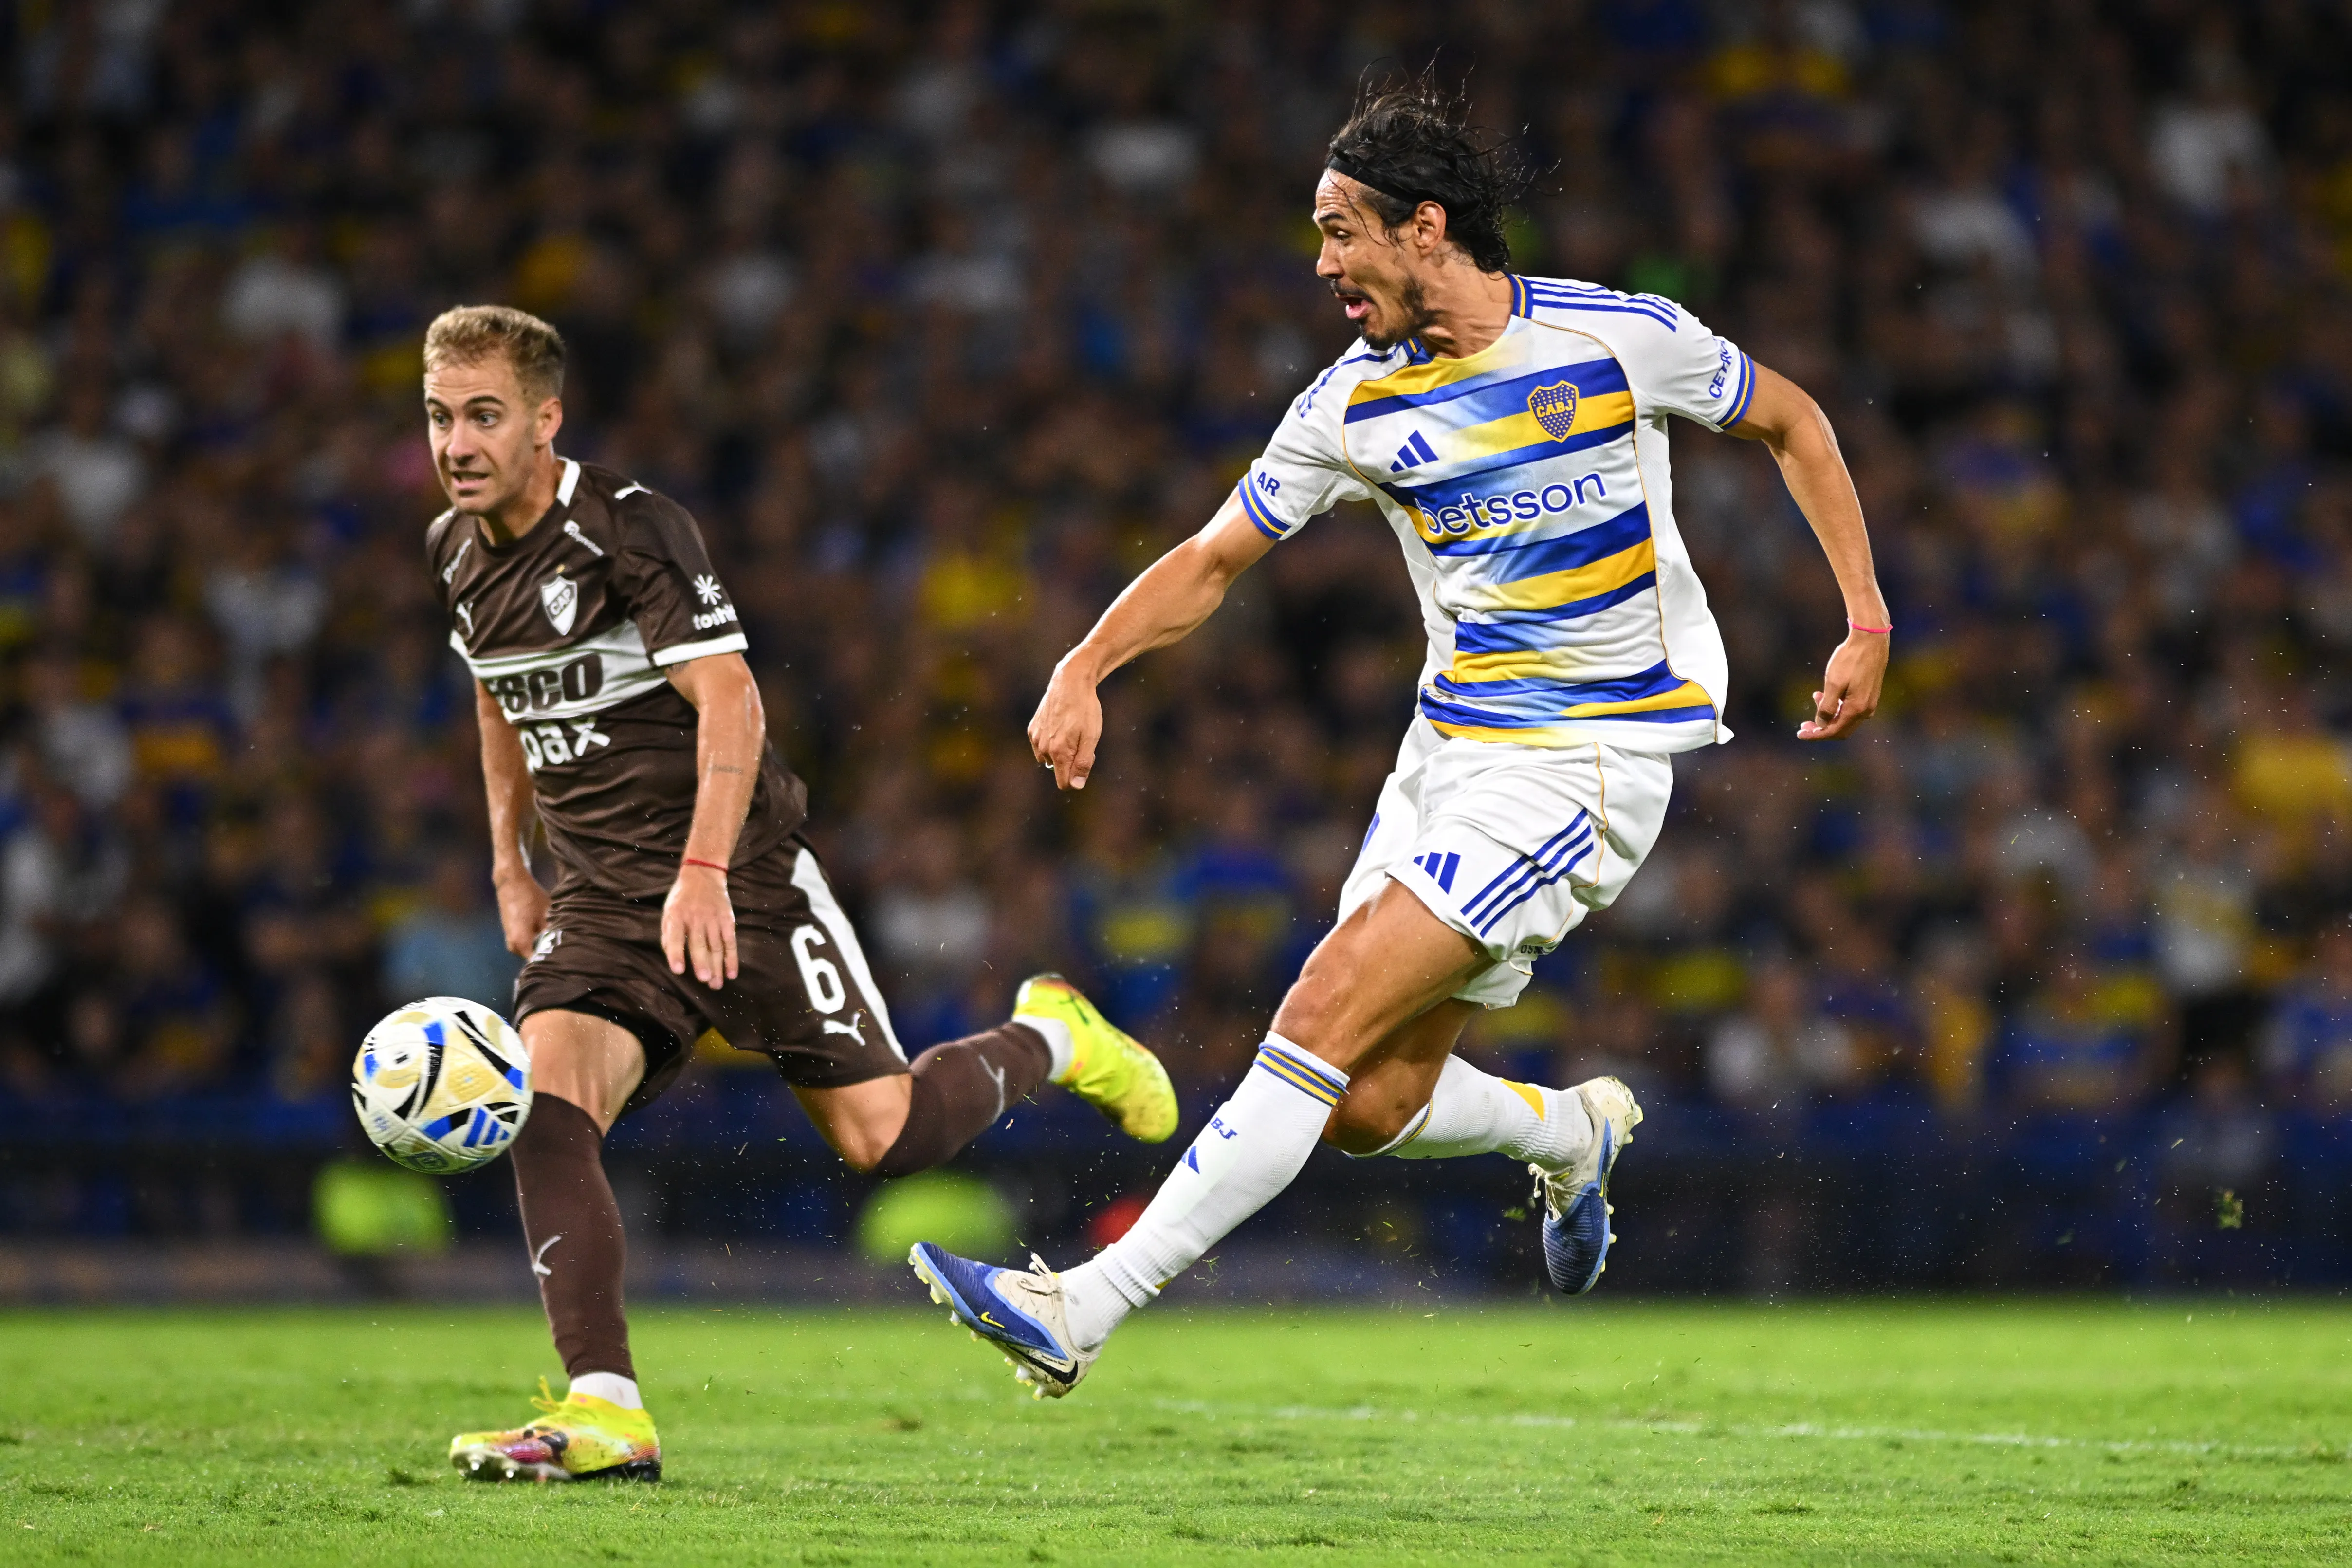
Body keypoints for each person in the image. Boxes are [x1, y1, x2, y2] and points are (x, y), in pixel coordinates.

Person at [909, 79, 1889, 1397]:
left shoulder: (1617, 338)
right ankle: (1568, 1132)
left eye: (1341, 231)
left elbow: (1794, 421)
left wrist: (1865, 618)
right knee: (1366, 1103)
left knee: (1316, 1009)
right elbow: (1212, 558)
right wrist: (1086, 663)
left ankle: (1079, 1305)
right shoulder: (1351, 405)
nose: (1322, 265)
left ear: (1425, 225)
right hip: (1442, 762)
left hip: (1584, 766)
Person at [417, 305, 1177, 1480]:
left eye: (483, 416)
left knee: (887, 1136)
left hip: (744, 874)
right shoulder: (455, 552)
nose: (457, 444)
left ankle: (1051, 1036)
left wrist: (705, 872)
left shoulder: (629, 529)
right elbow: (496, 700)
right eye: (439, 417)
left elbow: (732, 700)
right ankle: (606, 1407)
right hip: (602, 900)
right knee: (547, 1104)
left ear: (545, 420)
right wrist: (510, 865)